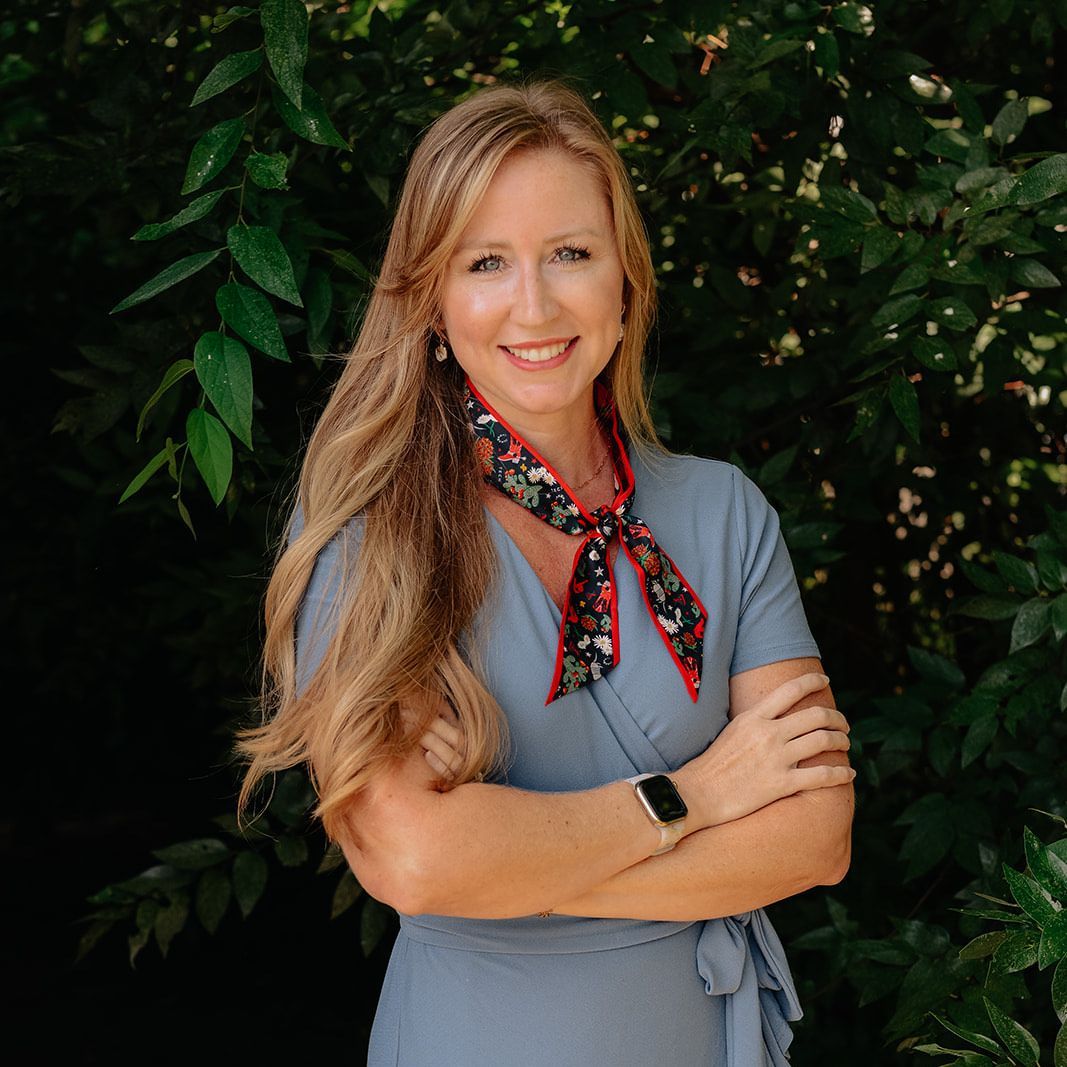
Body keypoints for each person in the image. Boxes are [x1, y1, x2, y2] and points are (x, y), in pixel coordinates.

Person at [234, 75, 856, 1066]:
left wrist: (504, 862)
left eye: (570, 253)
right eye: (486, 262)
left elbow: (815, 836)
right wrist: (699, 796)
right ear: (432, 299)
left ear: (624, 279)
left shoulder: (724, 511)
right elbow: (414, 856)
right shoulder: (370, 529)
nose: (534, 305)